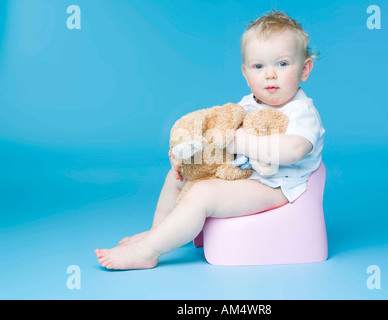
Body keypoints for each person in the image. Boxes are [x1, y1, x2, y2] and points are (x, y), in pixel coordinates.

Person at [95, 10, 325, 270]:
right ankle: (156, 232)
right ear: (246, 73)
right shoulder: (248, 104)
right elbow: (219, 135)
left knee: (204, 194)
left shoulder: (301, 112)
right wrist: (192, 154)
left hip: (277, 186)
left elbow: (294, 149)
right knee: (179, 178)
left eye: (282, 64)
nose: (270, 74)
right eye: (259, 66)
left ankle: (149, 251)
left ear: (305, 69)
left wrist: (238, 142)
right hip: (244, 174)